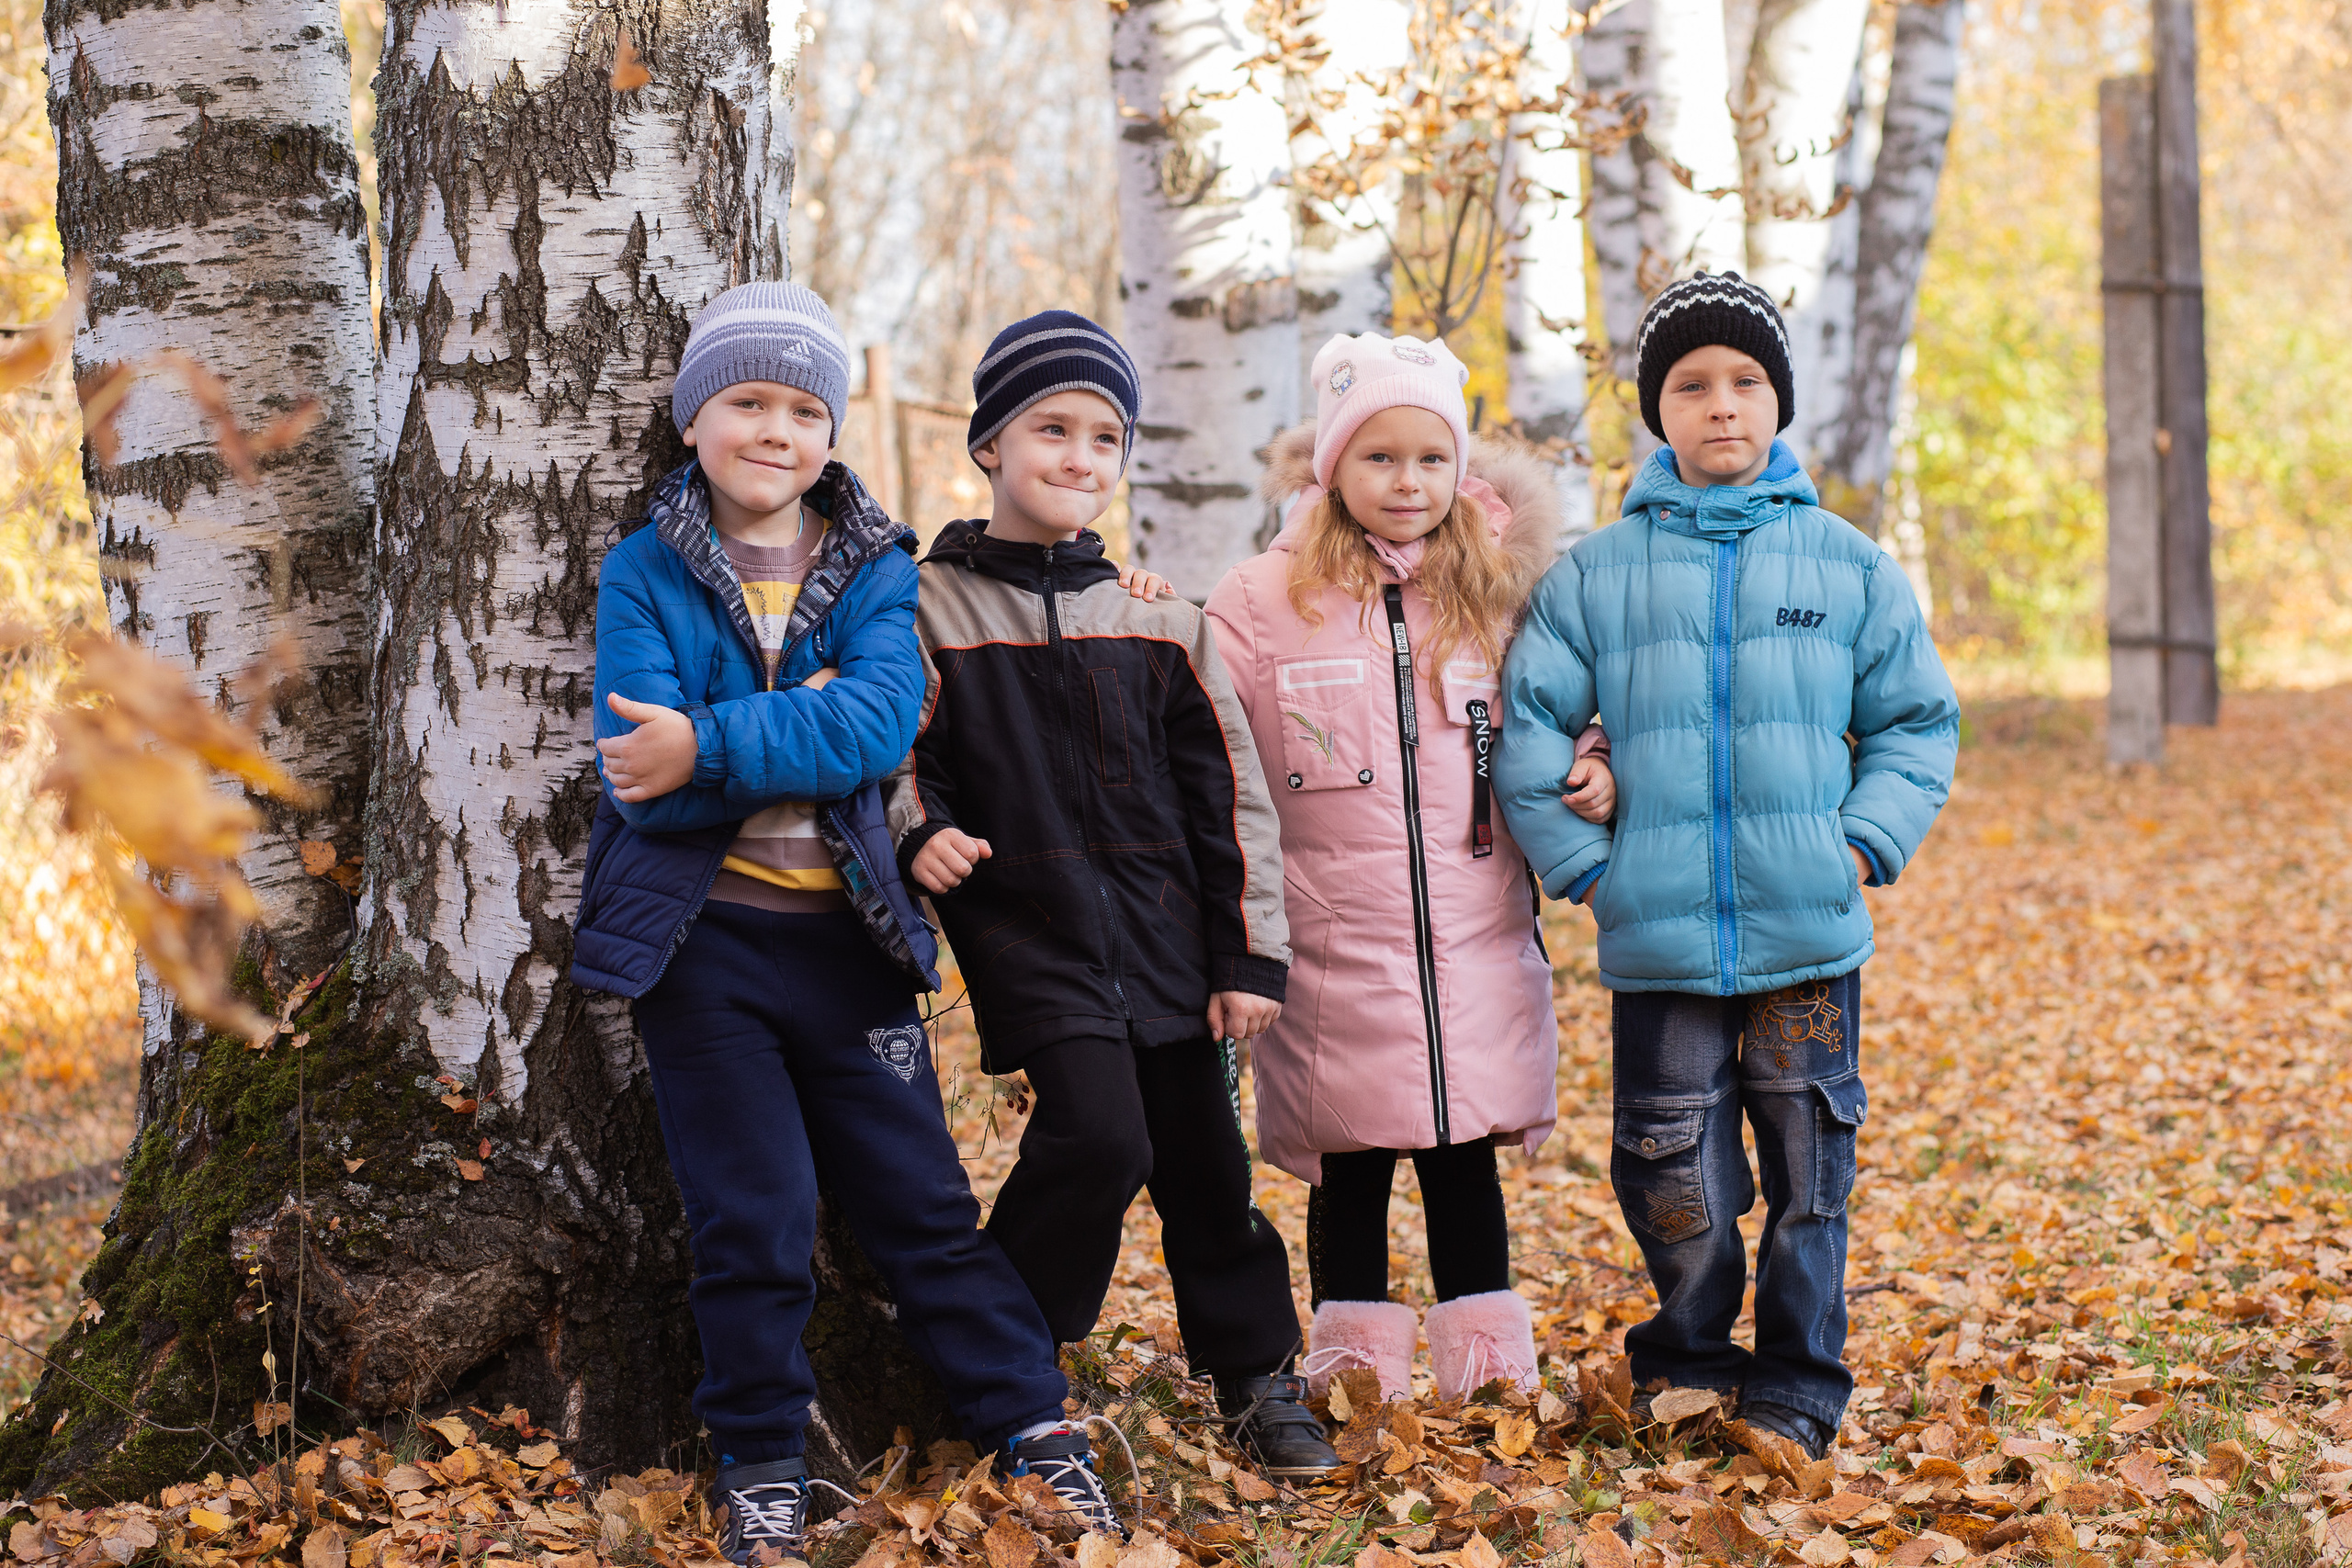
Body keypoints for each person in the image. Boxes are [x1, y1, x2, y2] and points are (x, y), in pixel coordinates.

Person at [570, 283, 1136, 1560]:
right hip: (702, 952)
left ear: (833, 429)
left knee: (923, 1210)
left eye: (805, 408)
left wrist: (713, 735)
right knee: (754, 1222)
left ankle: (1036, 1425)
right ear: (694, 417)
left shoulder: (874, 564)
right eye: (748, 401)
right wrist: (793, 724)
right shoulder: (646, 567)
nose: (776, 429)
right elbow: (636, 772)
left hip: (850, 946)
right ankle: (763, 1459)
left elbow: (879, 729)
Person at [1496, 271, 1960, 1468]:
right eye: (1692, 384)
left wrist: (1860, 839)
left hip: (1808, 934)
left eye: (1745, 381)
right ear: (1660, 411)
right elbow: (1533, 726)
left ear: (1777, 401)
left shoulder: (1846, 566)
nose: (1721, 405)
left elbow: (1916, 719)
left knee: (1811, 1168)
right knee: (1672, 1170)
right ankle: (1691, 1362)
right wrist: (1587, 865)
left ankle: (1799, 1382)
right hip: (1658, 940)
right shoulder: (1595, 575)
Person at [884, 310, 1341, 1480]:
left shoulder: (1160, 620)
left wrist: (1249, 961)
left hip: (1173, 940)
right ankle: (1001, 1358)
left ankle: (1254, 1372)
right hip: (1030, 933)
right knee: (1099, 1135)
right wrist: (917, 828)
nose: (1078, 456)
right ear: (989, 444)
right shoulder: (923, 609)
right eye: (1050, 428)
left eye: (1104, 437)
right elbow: (887, 752)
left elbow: (1232, 801)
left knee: (1203, 1163)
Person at [1202, 333, 1615, 1405]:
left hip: (1475, 935)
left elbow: (1568, 711)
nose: (1406, 481)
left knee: (1462, 1150)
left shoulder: (1498, 598)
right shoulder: (1262, 599)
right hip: (1335, 940)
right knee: (1353, 1158)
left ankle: (1487, 1372)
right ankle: (1353, 1373)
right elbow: (1201, 738)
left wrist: (1593, 762)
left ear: (1458, 470)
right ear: (1331, 468)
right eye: (1379, 457)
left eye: (1429, 459)